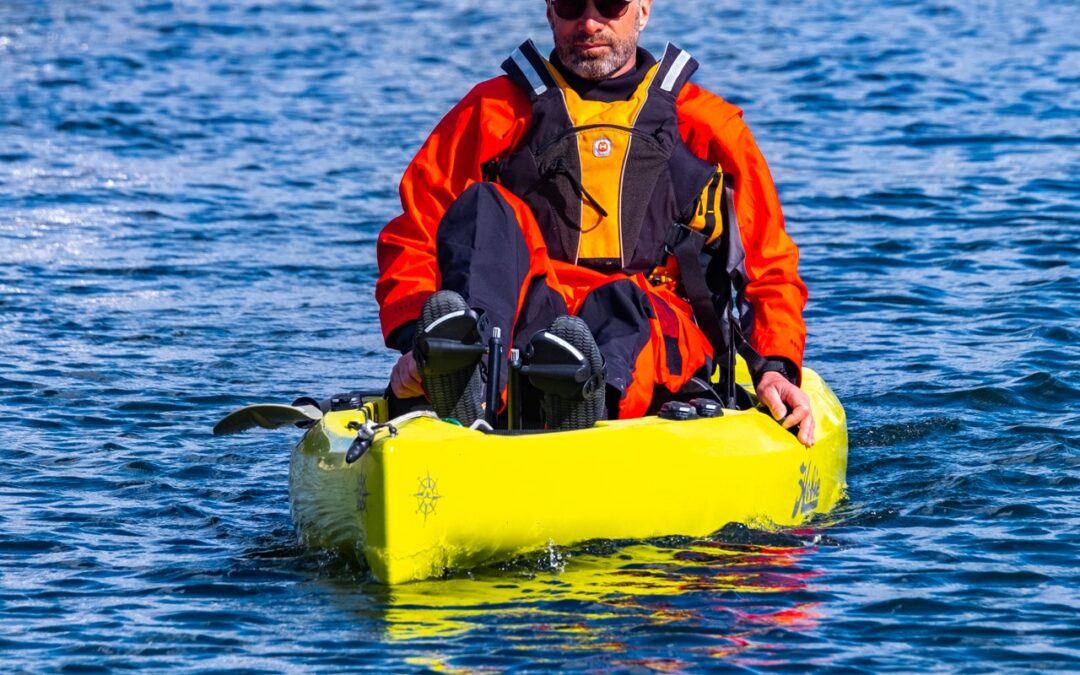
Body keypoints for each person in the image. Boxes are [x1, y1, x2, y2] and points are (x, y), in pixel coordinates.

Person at [376, 0, 815, 446]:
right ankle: (465, 373)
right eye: (569, 5)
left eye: (609, 4)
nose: (588, 23)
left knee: (621, 305)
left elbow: (769, 264)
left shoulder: (708, 125)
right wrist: (418, 340)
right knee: (483, 205)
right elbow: (415, 233)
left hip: (649, 321)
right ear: (549, 12)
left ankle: (583, 396)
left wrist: (775, 368)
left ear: (642, 10)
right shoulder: (490, 112)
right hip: (527, 320)